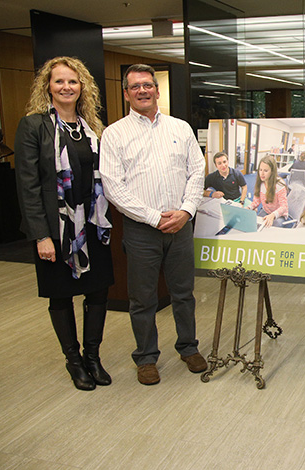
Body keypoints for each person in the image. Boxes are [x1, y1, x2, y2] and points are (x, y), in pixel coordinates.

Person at [99, 64, 207, 385]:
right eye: (135, 87)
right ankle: (146, 357)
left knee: (183, 293)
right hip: (141, 230)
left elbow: (197, 172)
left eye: (148, 85)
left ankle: (188, 347)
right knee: (142, 298)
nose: (143, 91)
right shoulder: (115, 134)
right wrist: (153, 217)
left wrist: (186, 212)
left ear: (157, 91)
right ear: (126, 93)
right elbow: (113, 186)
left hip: (181, 225)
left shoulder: (180, 129)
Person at [14, 56, 114, 391]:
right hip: (55, 229)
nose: (66, 87)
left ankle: (93, 357)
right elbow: (28, 185)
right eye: (59, 81)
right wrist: (41, 235)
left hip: (92, 224)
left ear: (81, 86)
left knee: (97, 292)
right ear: (48, 86)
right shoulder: (34, 126)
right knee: (61, 295)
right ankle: (74, 361)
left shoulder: (92, 127)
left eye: (72, 81)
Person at [248, 155, 288, 228]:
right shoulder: (260, 182)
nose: (262, 174)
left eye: (265, 171)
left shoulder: (279, 184)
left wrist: (273, 215)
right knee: (256, 224)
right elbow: (257, 201)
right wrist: (249, 207)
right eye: (260, 170)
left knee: (273, 227)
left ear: (272, 171)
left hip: (279, 214)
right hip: (266, 211)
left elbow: (284, 206)